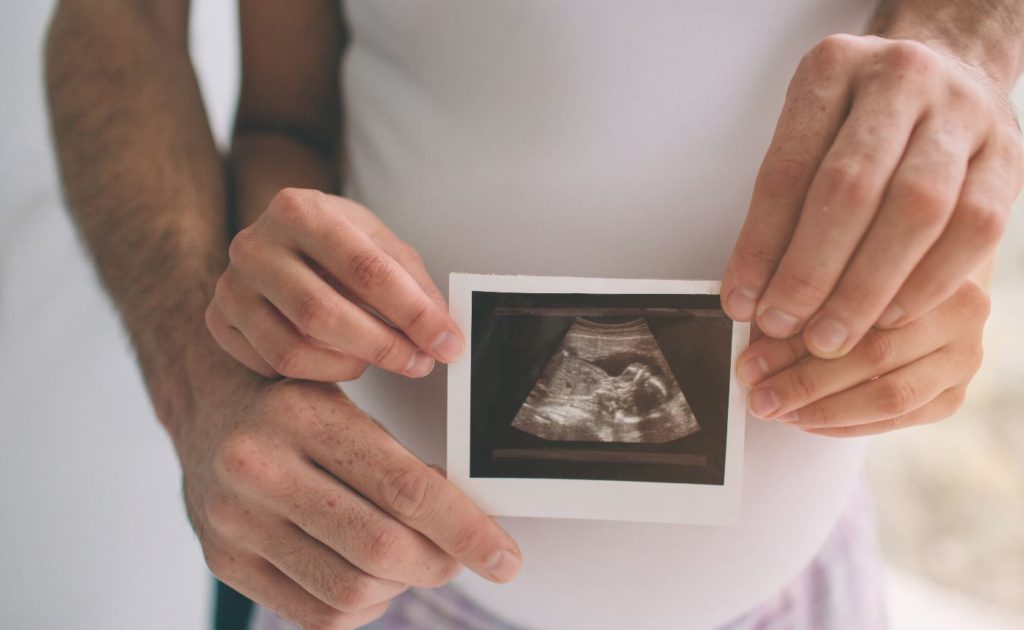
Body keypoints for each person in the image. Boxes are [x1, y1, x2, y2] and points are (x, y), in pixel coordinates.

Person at [45, 1, 1022, 629]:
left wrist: (966, 55)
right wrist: (217, 363)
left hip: (801, 594)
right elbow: (273, 117)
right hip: (380, 587)